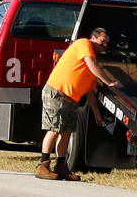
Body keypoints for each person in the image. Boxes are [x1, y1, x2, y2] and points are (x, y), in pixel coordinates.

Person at [37, 27, 119, 180]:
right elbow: (92, 63)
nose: (104, 45)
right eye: (102, 41)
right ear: (93, 38)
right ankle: (43, 165)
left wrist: (97, 114)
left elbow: (90, 93)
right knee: (54, 128)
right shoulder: (83, 44)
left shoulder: (91, 65)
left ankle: (61, 166)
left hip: (71, 100)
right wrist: (108, 81)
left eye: (107, 43)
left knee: (66, 131)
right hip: (57, 92)